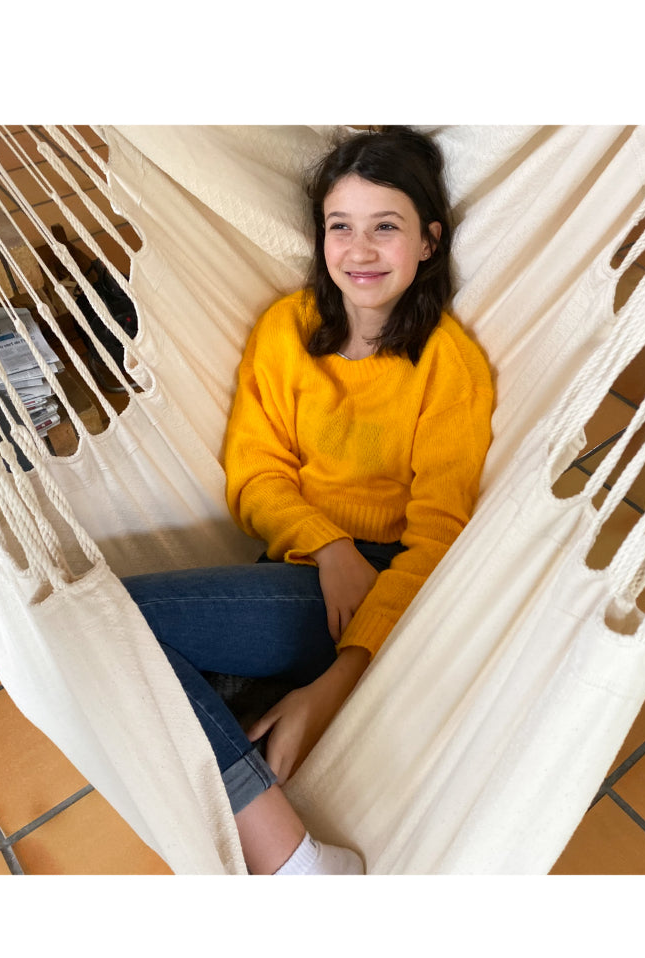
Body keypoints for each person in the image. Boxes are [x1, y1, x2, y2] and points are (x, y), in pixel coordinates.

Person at [123, 126, 495, 875]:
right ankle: (275, 834)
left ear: (428, 242)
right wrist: (329, 549)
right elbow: (254, 474)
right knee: (130, 675)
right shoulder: (285, 331)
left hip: (388, 591)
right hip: (310, 572)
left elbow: (439, 535)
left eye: (384, 228)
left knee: (121, 624)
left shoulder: (449, 365)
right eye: (340, 227)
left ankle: (294, 864)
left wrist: (338, 681)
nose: (359, 250)